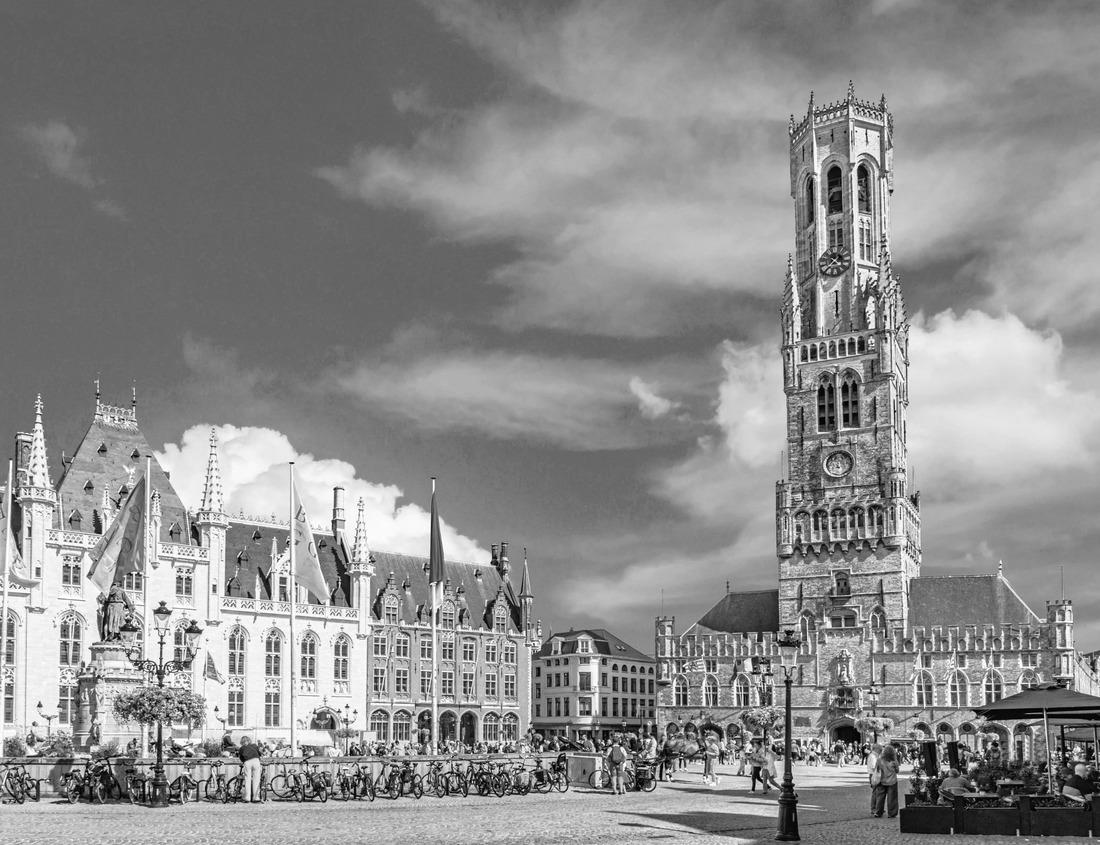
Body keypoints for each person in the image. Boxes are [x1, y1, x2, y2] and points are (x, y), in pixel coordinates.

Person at [871, 744, 900, 818]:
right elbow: (897, 771)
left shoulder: (879, 760)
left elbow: (876, 770)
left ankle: (878, 812)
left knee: (880, 798)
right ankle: (892, 813)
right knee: (892, 798)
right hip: (892, 781)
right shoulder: (894, 761)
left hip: (881, 781)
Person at [237, 735, 263, 803]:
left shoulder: (241, 748)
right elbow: (259, 753)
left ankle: (247, 798)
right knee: (256, 779)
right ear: (249, 740)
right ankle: (256, 797)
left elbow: (241, 758)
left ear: (242, 742)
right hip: (256, 761)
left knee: (247, 780)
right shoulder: (254, 745)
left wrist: (244, 761)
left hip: (247, 762)